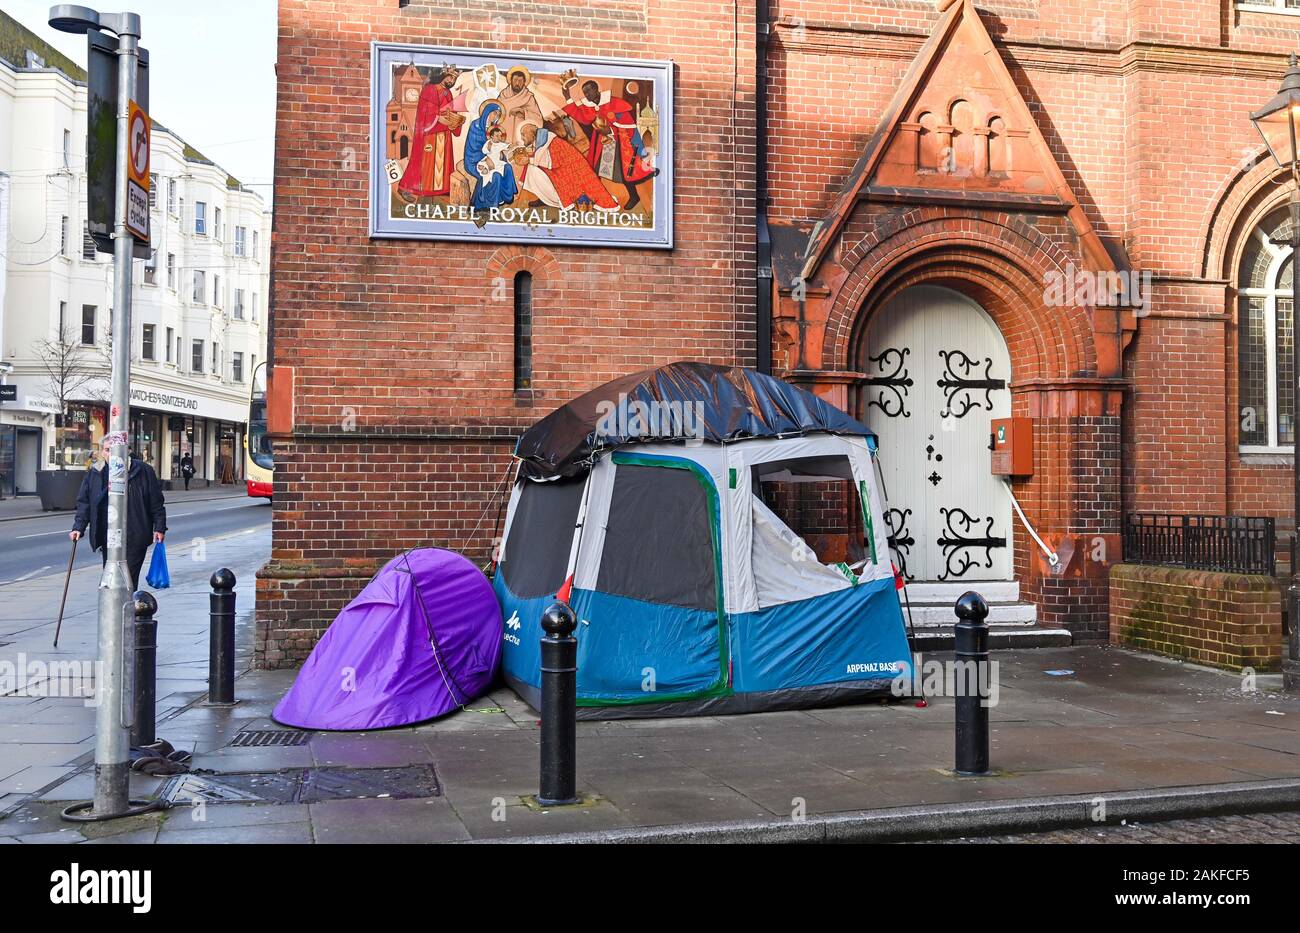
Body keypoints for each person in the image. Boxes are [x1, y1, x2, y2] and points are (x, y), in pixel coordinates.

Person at [70, 439, 167, 592]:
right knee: (111, 580)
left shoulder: (142, 471)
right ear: (103, 452)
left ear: (127, 451)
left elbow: (156, 502)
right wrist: (78, 527)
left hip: (134, 535)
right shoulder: (95, 472)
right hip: (108, 536)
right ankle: (117, 613)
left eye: (116, 450)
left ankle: (126, 611)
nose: (111, 454)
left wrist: (159, 527)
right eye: (108, 450)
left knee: (127, 581)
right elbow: (85, 503)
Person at [557, 77, 658, 210]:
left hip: (619, 144)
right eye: (584, 93)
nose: (586, 95)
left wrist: (610, 129)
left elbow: (627, 123)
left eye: (588, 91)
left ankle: (634, 196)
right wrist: (568, 98)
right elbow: (582, 116)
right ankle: (592, 196)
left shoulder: (614, 103)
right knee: (594, 170)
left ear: (596, 90)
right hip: (600, 145)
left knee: (623, 172)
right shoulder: (590, 106)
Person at [397, 65, 467, 201]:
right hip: (429, 134)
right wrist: (439, 118)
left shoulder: (448, 93)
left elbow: (451, 111)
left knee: (443, 163)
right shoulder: (430, 89)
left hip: (443, 135)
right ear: (442, 76)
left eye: (454, 79)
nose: (452, 81)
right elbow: (427, 112)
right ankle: (406, 188)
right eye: (450, 77)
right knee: (422, 162)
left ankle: (440, 189)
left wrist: (455, 122)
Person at [518, 122, 617, 212]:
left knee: (532, 169)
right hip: (561, 171)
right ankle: (544, 198)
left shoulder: (552, 142)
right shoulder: (542, 140)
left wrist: (529, 160)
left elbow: (552, 162)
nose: (522, 138)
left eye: (523, 135)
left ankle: (550, 199)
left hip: (570, 176)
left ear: (531, 134)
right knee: (531, 168)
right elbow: (542, 157)